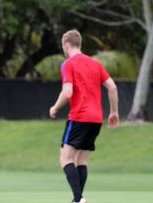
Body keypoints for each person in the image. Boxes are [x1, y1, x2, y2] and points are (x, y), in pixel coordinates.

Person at [49, 29, 119, 203]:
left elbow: (67, 92)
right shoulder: (95, 64)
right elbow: (112, 87)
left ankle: (78, 199)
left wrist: (55, 107)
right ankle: (77, 199)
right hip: (96, 119)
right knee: (81, 159)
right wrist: (114, 112)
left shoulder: (68, 64)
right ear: (79, 44)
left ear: (66, 45)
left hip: (79, 116)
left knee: (65, 158)